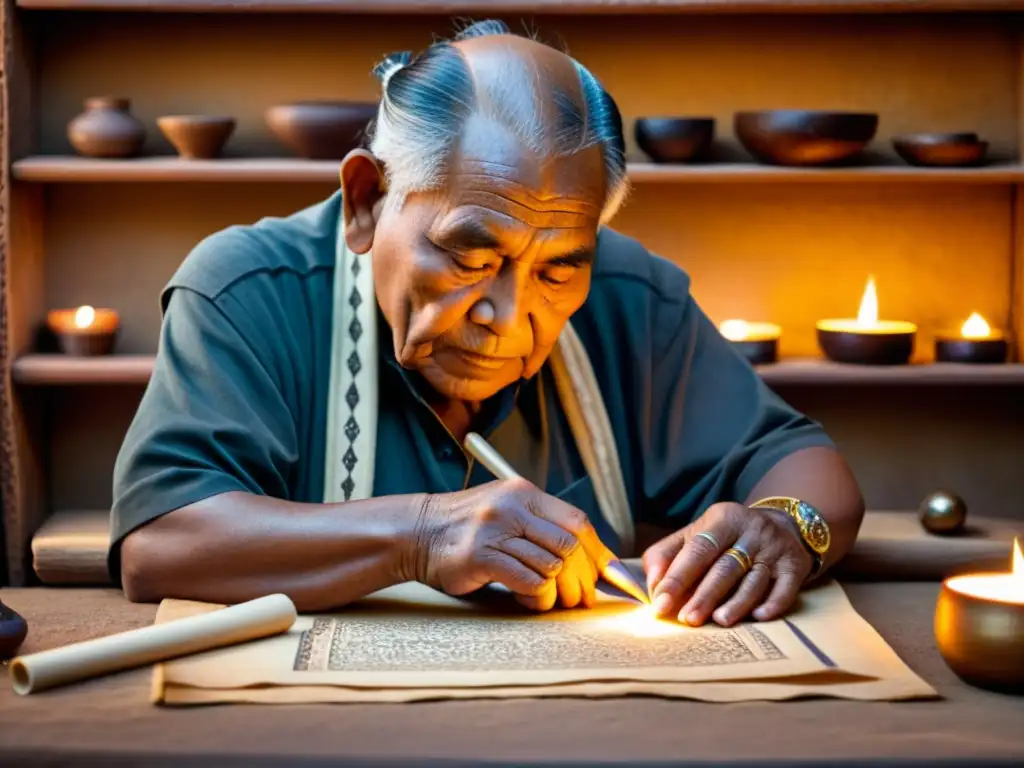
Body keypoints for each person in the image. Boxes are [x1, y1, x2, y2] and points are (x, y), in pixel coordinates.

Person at [111, 20, 864, 627]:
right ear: (368, 200)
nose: (507, 321)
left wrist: (783, 527)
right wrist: (420, 535)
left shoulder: (629, 293)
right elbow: (161, 540)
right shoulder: (249, 290)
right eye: (470, 257)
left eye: (556, 269)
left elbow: (801, 461)